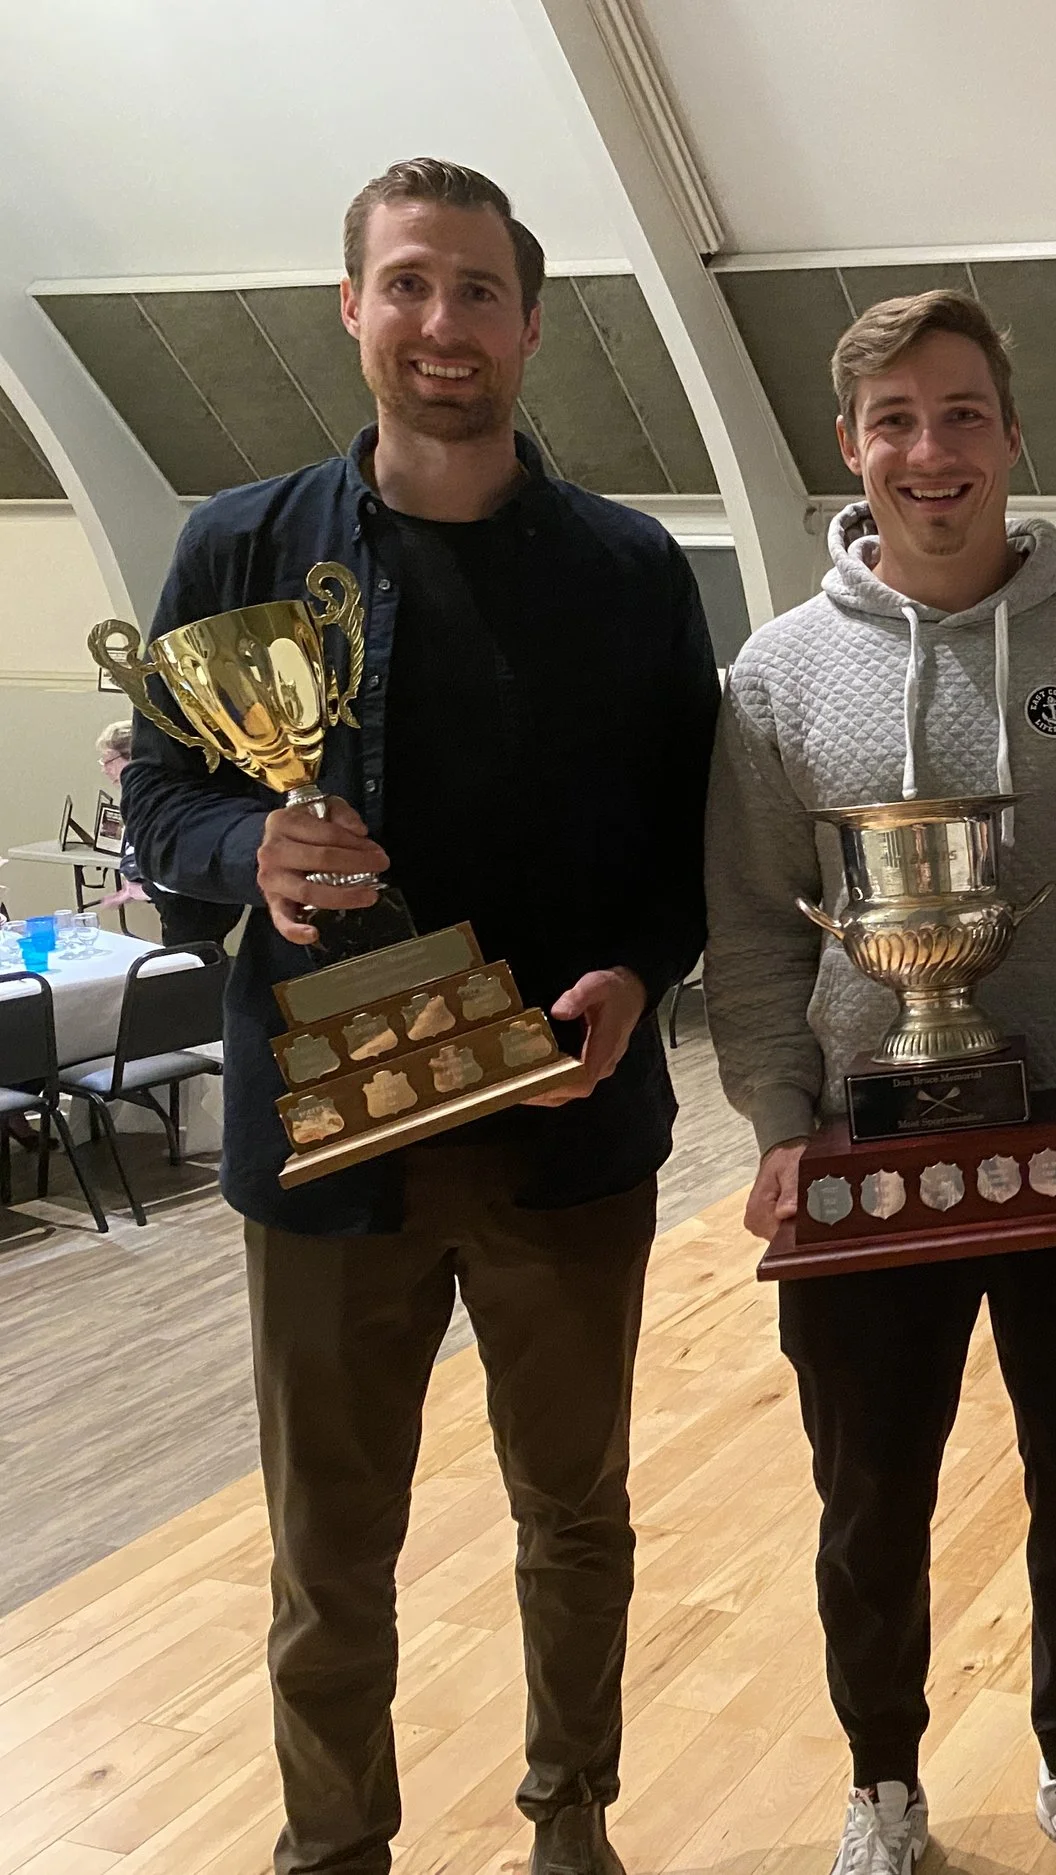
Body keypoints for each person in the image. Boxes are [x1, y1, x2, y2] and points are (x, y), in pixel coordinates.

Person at [119, 158, 719, 1875]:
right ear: (351, 306)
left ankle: (570, 1826)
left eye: (476, 291)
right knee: (328, 1545)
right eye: (407, 283)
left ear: (529, 326)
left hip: (565, 1133)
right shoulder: (237, 545)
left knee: (575, 1515)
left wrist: (639, 974)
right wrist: (250, 851)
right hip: (328, 1141)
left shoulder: (629, 568)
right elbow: (162, 801)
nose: (441, 321)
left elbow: (693, 839)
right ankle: (333, 1849)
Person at [704, 288, 1056, 1875]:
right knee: (868, 1496)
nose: (928, 451)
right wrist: (781, 1125)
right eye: (895, 422)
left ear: (1011, 435)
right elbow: (751, 921)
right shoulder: (778, 673)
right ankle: (883, 1781)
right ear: (850, 447)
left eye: (959, 415)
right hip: (859, 1159)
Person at [96, 720, 244, 946]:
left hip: (197, 904)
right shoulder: (144, 796)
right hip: (187, 902)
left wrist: (147, 889)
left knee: (191, 960)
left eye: (108, 760)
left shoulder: (160, 798)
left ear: (132, 755)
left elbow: (182, 857)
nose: (104, 769)